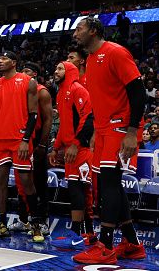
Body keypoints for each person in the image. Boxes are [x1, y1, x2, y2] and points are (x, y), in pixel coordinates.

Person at [72, 16, 147, 264]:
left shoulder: (115, 52)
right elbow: (100, 100)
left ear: (94, 30)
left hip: (121, 126)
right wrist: (95, 131)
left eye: (79, 29)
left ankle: (104, 246)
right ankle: (133, 243)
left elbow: (138, 92)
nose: (75, 33)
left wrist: (132, 131)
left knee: (108, 184)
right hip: (104, 129)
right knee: (108, 182)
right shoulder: (91, 59)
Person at [0, 51, 44, 242]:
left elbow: (34, 114)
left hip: (20, 140)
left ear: (14, 62)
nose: (0, 61)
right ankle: (2, 224)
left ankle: (35, 225)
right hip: (1, 141)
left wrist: (27, 140)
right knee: (0, 182)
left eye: (4, 59)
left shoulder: (28, 81)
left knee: (27, 182)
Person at [49, 61, 95, 250]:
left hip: (81, 150)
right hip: (69, 150)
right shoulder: (60, 93)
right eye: (56, 67)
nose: (55, 71)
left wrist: (76, 144)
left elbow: (88, 117)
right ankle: (81, 234)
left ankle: (83, 233)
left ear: (69, 71)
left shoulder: (78, 89)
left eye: (60, 68)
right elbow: (65, 125)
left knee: (81, 191)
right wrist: (56, 147)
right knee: (75, 191)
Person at [12, 62, 53, 234]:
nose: (23, 74)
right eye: (22, 71)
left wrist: (43, 145)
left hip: (37, 142)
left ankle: (42, 221)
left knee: (39, 181)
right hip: (22, 139)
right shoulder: (22, 91)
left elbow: (48, 120)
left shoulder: (42, 91)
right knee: (22, 181)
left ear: (35, 74)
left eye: (27, 71)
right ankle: (23, 219)